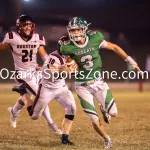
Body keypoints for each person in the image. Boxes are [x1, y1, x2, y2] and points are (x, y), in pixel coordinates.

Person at [59, 17, 141, 148]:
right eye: (72, 31)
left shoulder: (95, 38)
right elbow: (67, 64)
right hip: (82, 86)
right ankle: (107, 138)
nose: (74, 33)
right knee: (93, 119)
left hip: (98, 83)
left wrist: (131, 61)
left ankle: (104, 108)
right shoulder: (67, 47)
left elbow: (114, 47)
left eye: (77, 30)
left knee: (114, 113)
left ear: (84, 29)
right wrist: (66, 68)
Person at [0, 14, 62, 135]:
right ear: (19, 26)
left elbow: (43, 54)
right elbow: (1, 47)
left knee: (30, 95)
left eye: (30, 25)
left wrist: (49, 65)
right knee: (42, 96)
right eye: (25, 25)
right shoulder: (12, 37)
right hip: (22, 73)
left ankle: (13, 111)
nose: (28, 28)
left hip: (35, 72)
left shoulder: (37, 38)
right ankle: (51, 125)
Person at [18, 51, 77, 145]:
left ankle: (64, 139)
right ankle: (24, 93)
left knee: (72, 109)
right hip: (47, 89)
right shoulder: (54, 57)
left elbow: (74, 73)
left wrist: (72, 70)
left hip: (61, 88)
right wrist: (63, 71)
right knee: (34, 116)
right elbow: (51, 74)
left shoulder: (69, 57)